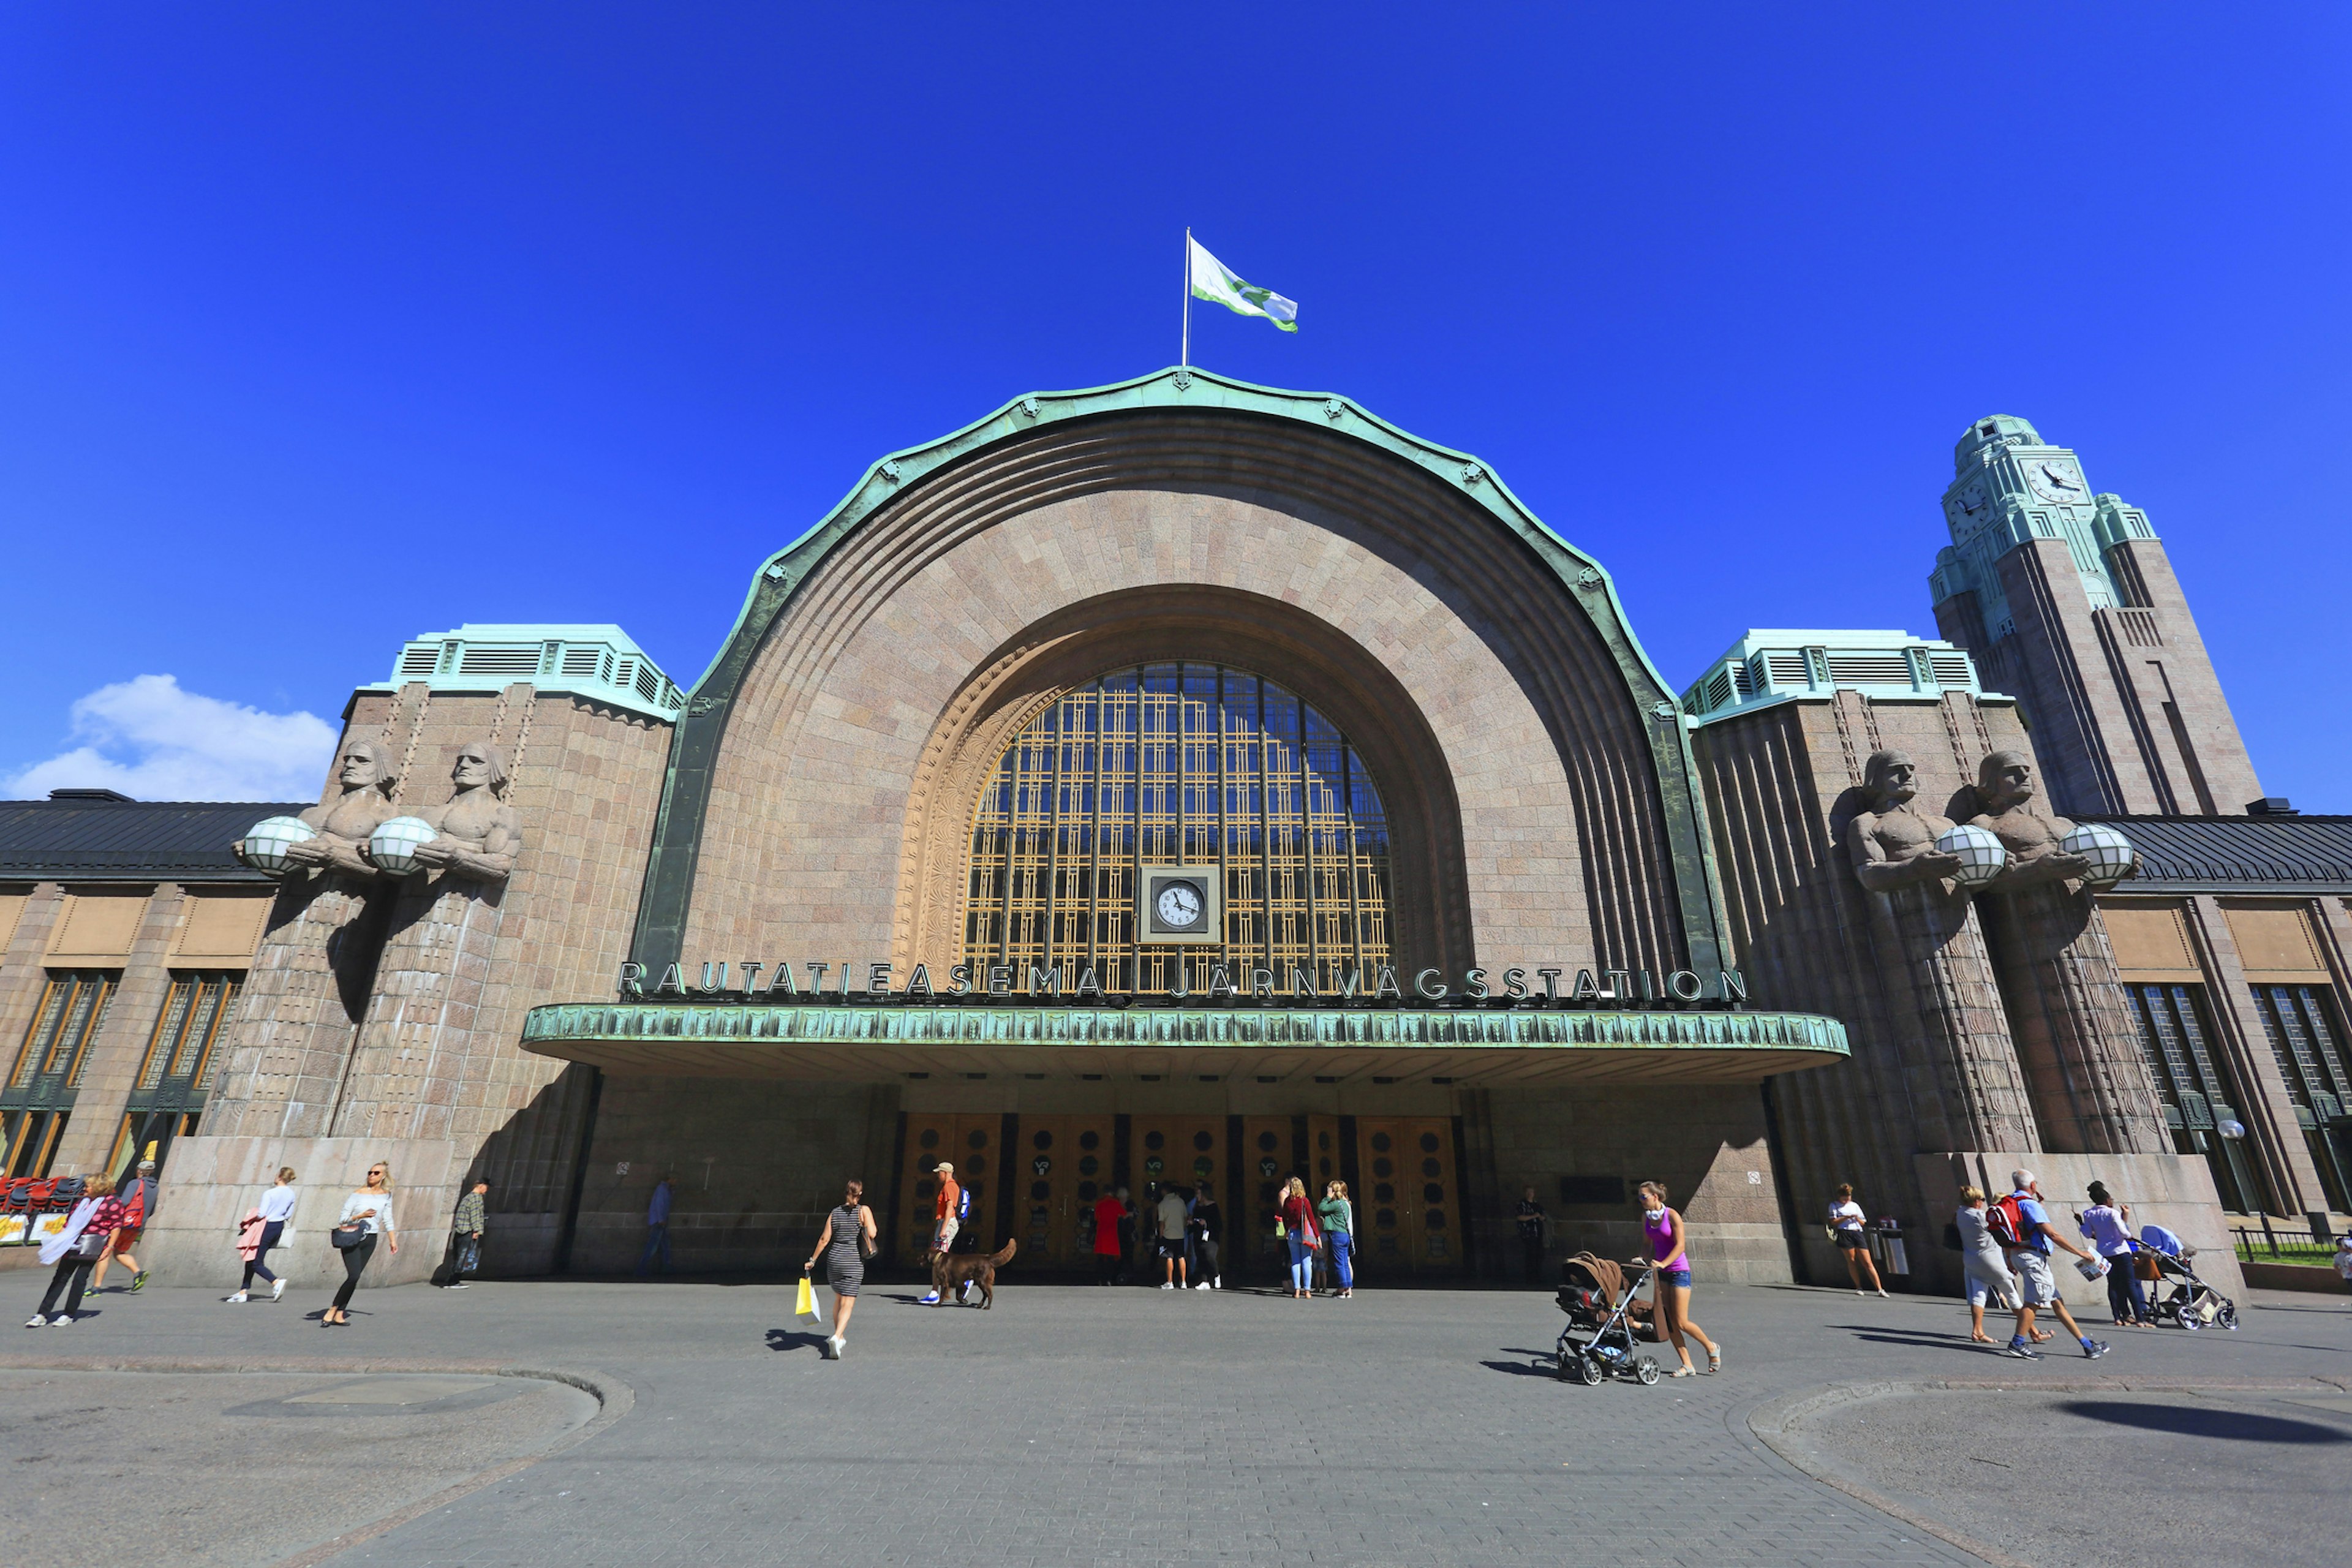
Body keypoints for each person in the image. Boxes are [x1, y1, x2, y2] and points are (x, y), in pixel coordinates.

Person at [1996, 1169, 2106, 1361]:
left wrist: (2008, 1259)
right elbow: (2052, 1234)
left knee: (2057, 1303)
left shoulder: (2011, 1202)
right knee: (2033, 1303)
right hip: (2034, 1258)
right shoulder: (2030, 1205)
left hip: (2019, 1254)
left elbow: (2010, 1233)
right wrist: (2081, 1253)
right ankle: (2018, 1342)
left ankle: (2087, 1345)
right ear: (2032, 1185)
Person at [1635, 1180, 1719, 1376]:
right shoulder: (1645, 1218)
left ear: (1655, 1197)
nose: (1641, 1200)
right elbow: (1647, 1244)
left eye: (1643, 1196)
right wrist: (1642, 1256)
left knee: (1681, 1321)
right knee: (1669, 1321)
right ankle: (1687, 1364)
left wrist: (1664, 1263)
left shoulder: (1672, 1216)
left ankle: (1711, 1347)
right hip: (1662, 1273)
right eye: (1639, 1197)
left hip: (1679, 1271)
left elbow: (1680, 1245)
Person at [27, 1175, 125, 1326]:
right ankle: (42, 1314)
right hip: (72, 1242)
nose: (85, 1188)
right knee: (60, 1277)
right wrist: (59, 1241)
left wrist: (110, 1247)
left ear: (99, 1188)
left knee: (80, 1279)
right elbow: (68, 1223)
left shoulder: (113, 1203)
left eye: (89, 1186)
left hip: (92, 1244)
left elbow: (116, 1226)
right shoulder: (82, 1202)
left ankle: (68, 1314)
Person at [803, 1178, 876, 1360]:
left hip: (835, 1260)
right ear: (859, 1194)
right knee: (848, 1302)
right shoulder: (863, 1210)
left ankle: (840, 1336)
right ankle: (837, 1336)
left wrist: (813, 1260)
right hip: (853, 1260)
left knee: (839, 1299)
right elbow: (873, 1233)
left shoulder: (835, 1213)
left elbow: (824, 1239)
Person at [323, 1161, 399, 1327]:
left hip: (371, 1239)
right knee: (354, 1275)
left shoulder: (386, 1195)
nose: (372, 1175)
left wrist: (392, 1240)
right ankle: (333, 1308)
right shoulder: (357, 1194)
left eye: (376, 1173)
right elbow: (342, 1218)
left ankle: (340, 1313)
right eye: (370, 1172)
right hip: (352, 1238)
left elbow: (388, 1219)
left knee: (354, 1279)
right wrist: (360, 1216)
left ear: (384, 1176)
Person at [2076, 1181, 2150, 1327]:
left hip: (2104, 1253)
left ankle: (2118, 1317)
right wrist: (2128, 1234)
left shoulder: (2088, 1214)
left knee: (2113, 1285)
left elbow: (2086, 1233)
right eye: (2111, 1199)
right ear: (2106, 1200)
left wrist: (2081, 1222)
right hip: (2121, 1252)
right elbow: (2124, 1232)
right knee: (2130, 1284)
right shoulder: (2112, 1213)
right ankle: (2140, 1319)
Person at [1954, 1186, 2021, 1344]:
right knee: (2011, 1294)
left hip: (1971, 1259)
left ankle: (1977, 1330)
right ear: (1976, 1201)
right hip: (1991, 1260)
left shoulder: (1960, 1213)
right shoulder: (1979, 1216)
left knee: (1979, 1294)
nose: (1983, 1203)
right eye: (1982, 1200)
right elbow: (2000, 1226)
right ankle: (2032, 1331)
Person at [228, 1167, 299, 1304]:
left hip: (265, 1226)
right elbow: (288, 1215)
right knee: (252, 1258)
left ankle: (276, 1282)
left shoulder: (269, 1193)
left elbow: (261, 1214)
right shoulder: (291, 1194)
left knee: (255, 1262)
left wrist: (251, 1214)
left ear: (279, 1177)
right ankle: (243, 1291)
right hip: (278, 1226)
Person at [90, 1155, 157, 1295]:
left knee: (106, 1252)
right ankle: (138, 1273)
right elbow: (152, 1210)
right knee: (119, 1251)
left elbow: (125, 1202)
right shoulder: (155, 1187)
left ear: (139, 1171)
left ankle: (96, 1287)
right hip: (137, 1225)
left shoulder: (135, 1183)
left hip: (124, 1223)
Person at [1828, 1183, 1887, 1298]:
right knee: (1852, 1260)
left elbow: (1863, 1222)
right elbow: (1833, 1222)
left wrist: (1856, 1218)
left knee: (1867, 1262)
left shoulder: (1855, 1205)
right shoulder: (1834, 1205)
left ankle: (1880, 1288)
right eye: (1844, 1198)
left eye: (1848, 1197)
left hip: (1857, 1232)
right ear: (1839, 1196)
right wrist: (1846, 1217)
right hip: (1844, 1232)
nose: (1846, 1200)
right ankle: (1858, 1287)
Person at [919, 1161, 962, 1305]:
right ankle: (936, 1290)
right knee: (940, 1258)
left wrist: (943, 1229)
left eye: (939, 1173)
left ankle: (936, 1292)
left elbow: (950, 1208)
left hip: (947, 1223)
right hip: (946, 1222)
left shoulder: (949, 1186)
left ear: (945, 1173)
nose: (938, 1175)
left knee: (938, 1259)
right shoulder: (951, 1186)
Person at [1279, 1177, 1321, 1300]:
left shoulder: (1288, 1201)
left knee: (1295, 1262)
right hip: (1305, 1233)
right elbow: (1312, 1220)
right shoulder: (1304, 1201)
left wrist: (1287, 1230)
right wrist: (1317, 1235)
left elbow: (1284, 1217)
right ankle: (1307, 1290)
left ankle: (1297, 1290)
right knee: (1307, 1261)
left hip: (1292, 1233)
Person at [445, 1180, 489, 1289]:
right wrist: (476, 1230)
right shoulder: (476, 1198)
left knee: (457, 1255)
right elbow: (475, 1216)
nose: (486, 1190)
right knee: (462, 1256)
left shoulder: (468, 1197)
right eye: (486, 1187)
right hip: (467, 1230)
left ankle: (450, 1280)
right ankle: (454, 1281)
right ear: (481, 1186)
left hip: (460, 1230)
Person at [1318, 1180, 1356, 1299]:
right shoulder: (1345, 1204)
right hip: (1345, 1235)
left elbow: (1322, 1208)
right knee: (1345, 1262)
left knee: (1339, 1263)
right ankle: (1347, 1287)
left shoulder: (1336, 1204)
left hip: (1337, 1235)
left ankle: (1341, 1289)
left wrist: (1327, 1197)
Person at [637, 1175, 674, 1276]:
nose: (676, 1181)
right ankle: (641, 1268)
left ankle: (667, 1266)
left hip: (662, 1221)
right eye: (674, 1179)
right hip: (659, 1222)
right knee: (653, 1246)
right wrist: (661, 1219)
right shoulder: (662, 1189)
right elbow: (660, 1204)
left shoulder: (667, 1189)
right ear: (669, 1179)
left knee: (665, 1244)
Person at [1091, 1186, 1128, 1286]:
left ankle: (1100, 1279)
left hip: (1101, 1233)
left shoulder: (1099, 1203)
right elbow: (1124, 1215)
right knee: (1111, 1259)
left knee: (1101, 1258)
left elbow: (1096, 1217)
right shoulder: (1115, 1203)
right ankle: (1108, 1279)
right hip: (1112, 1233)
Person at [1156, 1183, 1191, 1289]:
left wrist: (1161, 1235)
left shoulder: (1163, 1204)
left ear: (1164, 1191)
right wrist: (1183, 1228)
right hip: (1180, 1234)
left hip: (1168, 1234)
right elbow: (1186, 1217)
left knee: (1169, 1257)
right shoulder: (1181, 1202)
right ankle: (1184, 1281)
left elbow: (1162, 1222)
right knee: (1181, 1256)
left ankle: (1170, 1281)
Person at [1190, 1180, 1222, 1290]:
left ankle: (1216, 1275)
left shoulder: (1213, 1206)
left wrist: (1207, 1223)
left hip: (1211, 1236)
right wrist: (1192, 1222)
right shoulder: (1197, 1207)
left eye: (1198, 1194)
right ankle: (1204, 1281)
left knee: (1210, 1256)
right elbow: (1194, 1220)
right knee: (1200, 1258)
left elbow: (1218, 1223)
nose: (1197, 1196)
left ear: (1204, 1194)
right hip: (1199, 1235)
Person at [1515, 1186, 1548, 1284]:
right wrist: (1534, 1216)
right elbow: (1520, 1217)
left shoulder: (1537, 1204)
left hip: (1538, 1233)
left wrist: (1541, 1217)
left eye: (1532, 1192)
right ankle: (1530, 1278)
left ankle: (1538, 1276)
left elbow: (1543, 1216)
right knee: (1530, 1255)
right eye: (1528, 1192)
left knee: (1539, 1255)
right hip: (1528, 1233)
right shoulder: (1522, 1204)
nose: (1530, 1194)